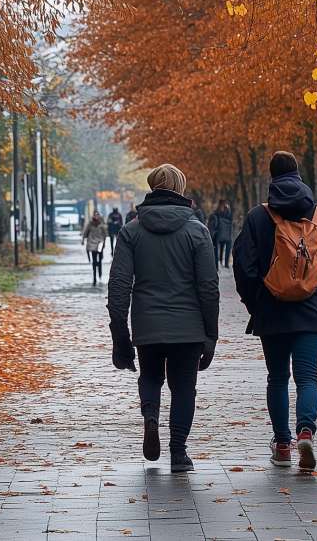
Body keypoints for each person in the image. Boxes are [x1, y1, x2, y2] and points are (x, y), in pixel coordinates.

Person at [232, 150, 317, 472]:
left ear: (271, 177)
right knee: (307, 378)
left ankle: (282, 444)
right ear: (298, 174)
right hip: (311, 309)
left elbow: (243, 265)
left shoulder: (258, 217)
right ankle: (306, 432)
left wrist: (254, 302)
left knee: (278, 378)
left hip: (271, 310)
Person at [108, 164, 218, 472]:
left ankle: (151, 417)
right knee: (183, 387)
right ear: (181, 190)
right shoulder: (197, 230)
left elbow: (118, 285)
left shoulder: (131, 230)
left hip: (147, 324)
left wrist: (120, 333)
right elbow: (208, 286)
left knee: (151, 377)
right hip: (189, 327)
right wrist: (212, 333)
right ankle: (178, 453)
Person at [81, 211, 108, 285]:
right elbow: (85, 232)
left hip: (100, 244)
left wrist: (104, 243)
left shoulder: (101, 224)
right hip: (92, 244)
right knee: (94, 260)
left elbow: (105, 234)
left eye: (97, 215)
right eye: (95, 215)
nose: (96, 216)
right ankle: (94, 276)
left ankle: (99, 272)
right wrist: (83, 240)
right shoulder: (90, 224)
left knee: (100, 259)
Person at [209, 200, 234, 268]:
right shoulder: (228, 212)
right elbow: (231, 222)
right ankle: (225, 264)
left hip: (220, 234)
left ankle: (218, 265)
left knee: (216, 248)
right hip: (226, 234)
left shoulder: (216, 213)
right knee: (225, 247)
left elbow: (214, 224)